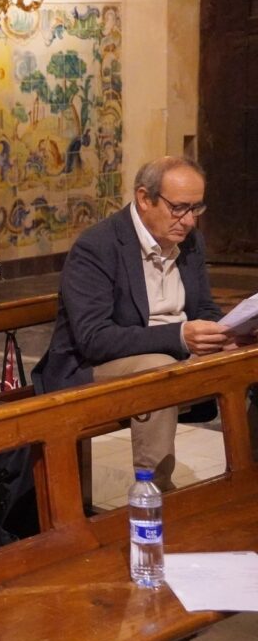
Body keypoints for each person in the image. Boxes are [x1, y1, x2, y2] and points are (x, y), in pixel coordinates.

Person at [33, 156, 233, 491]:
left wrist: (223, 332)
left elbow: (204, 308)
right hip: (90, 367)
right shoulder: (97, 246)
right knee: (159, 370)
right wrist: (181, 336)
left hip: (176, 352)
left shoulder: (189, 242)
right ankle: (153, 494)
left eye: (196, 209)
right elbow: (94, 339)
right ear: (144, 198)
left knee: (241, 356)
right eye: (179, 208)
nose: (188, 222)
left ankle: (243, 475)